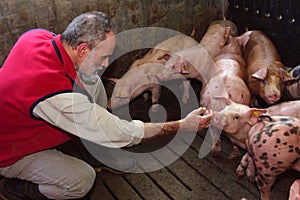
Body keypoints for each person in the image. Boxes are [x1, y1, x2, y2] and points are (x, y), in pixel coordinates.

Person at [0, 11, 212, 199]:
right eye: (104, 57)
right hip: (12, 152)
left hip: (25, 119)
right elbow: (127, 132)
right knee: (81, 180)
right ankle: (16, 189)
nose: (105, 63)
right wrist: (182, 125)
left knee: (93, 79)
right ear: (82, 49)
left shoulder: (37, 37)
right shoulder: (55, 93)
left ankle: (97, 149)